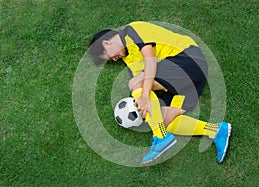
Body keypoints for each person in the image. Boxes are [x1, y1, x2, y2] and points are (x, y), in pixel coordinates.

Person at [89, 21, 231, 164]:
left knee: (135, 84)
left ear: (106, 43)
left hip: (188, 59)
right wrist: (145, 106)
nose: (114, 59)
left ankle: (160, 136)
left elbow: (150, 60)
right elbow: (146, 81)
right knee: (164, 120)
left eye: (110, 56)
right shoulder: (129, 61)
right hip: (187, 83)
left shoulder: (132, 30)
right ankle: (217, 130)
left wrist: (144, 96)